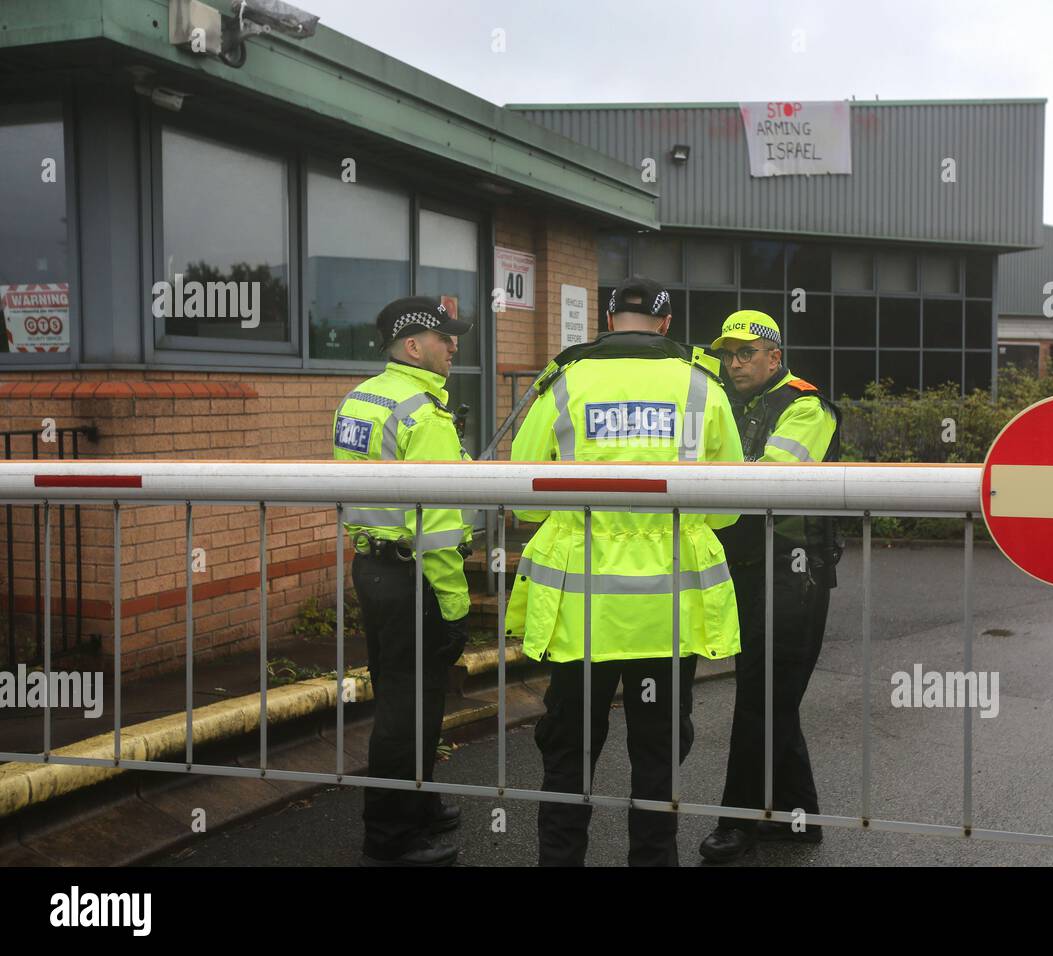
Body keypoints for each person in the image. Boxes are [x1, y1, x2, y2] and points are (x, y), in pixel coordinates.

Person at [505, 275, 744, 866]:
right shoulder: (700, 384)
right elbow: (729, 502)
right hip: (665, 611)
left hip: (581, 613)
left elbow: (524, 493)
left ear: (608, 321)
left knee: (569, 754)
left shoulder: (564, 380)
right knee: (658, 755)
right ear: (666, 324)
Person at [332, 296, 474, 867]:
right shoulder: (423, 412)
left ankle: (421, 805)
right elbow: (438, 527)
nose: (455, 346)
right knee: (410, 708)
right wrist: (457, 607)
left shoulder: (361, 397)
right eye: (446, 338)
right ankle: (390, 838)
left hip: (371, 566)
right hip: (413, 576)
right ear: (414, 345)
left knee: (401, 695)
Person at [699, 309, 842, 863]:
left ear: (774, 356)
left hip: (796, 571)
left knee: (762, 697)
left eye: (745, 354)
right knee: (772, 694)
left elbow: (766, 482)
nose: (733, 364)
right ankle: (799, 820)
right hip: (754, 568)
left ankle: (737, 823)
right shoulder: (733, 402)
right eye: (727, 355)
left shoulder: (806, 405)